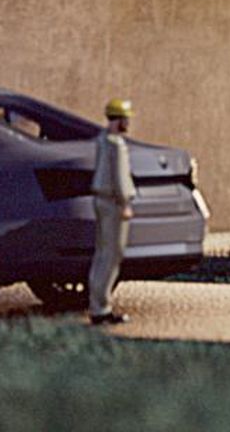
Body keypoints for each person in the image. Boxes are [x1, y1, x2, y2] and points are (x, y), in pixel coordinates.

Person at [88, 98, 135, 326]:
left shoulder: (102, 140)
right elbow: (119, 177)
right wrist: (125, 202)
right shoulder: (117, 145)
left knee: (102, 254)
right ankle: (101, 307)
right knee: (112, 255)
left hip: (101, 199)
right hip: (113, 202)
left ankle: (97, 304)